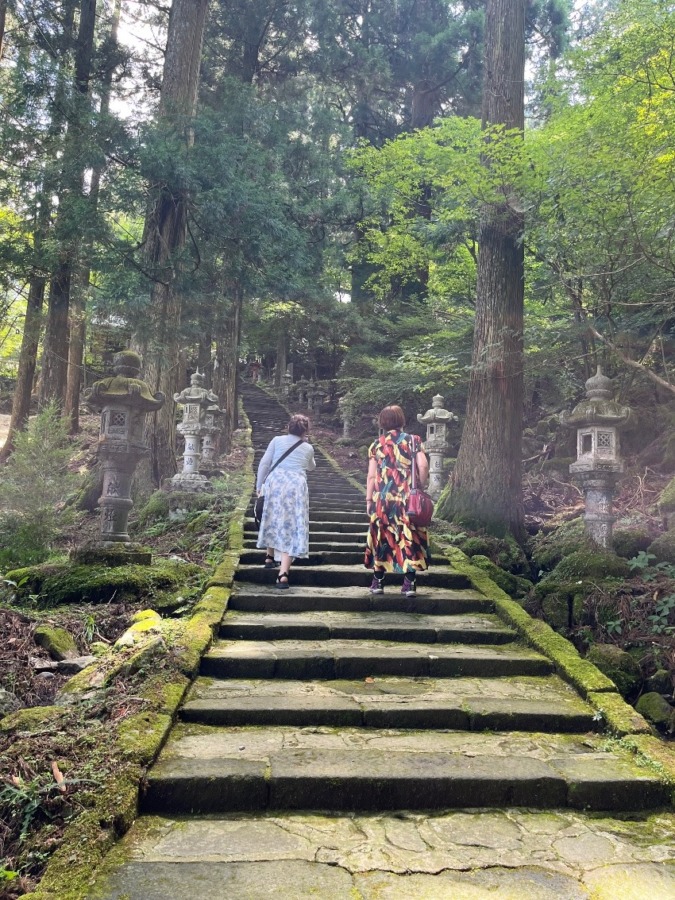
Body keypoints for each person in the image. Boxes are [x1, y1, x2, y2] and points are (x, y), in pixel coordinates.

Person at [364, 405, 430, 597]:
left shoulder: (376, 444)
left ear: (382, 423)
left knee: (382, 536)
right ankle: (409, 583)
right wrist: (420, 486)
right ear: (401, 420)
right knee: (408, 536)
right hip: (406, 498)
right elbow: (423, 465)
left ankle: (378, 581)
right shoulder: (413, 441)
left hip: (382, 499)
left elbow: (371, 476)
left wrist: (369, 499)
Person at [256, 414, 316, 589]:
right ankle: (283, 574)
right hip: (296, 486)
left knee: (272, 517)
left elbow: (264, 463)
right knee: (291, 525)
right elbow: (311, 466)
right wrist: (305, 442)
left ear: (288, 427)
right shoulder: (308, 448)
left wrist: (259, 485)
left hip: (275, 482)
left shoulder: (276, 440)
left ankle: (269, 557)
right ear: (305, 430)